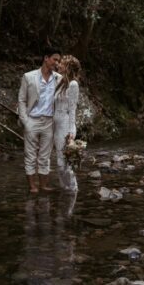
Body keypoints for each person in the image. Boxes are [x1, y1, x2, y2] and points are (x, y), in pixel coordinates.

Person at [17, 46, 61, 193]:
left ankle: (43, 185)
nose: (57, 63)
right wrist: (25, 121)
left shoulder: (58, 78)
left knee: (45, 156)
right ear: (46, 58)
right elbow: (22, 100)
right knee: (30, 155)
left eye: (59, 61)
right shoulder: (28, 76)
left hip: (49, 122)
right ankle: (32, 187)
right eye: (55, 59)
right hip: (32, 120)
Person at [52, 55, 81, 192]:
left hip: (65, 127)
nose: (59, 65)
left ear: (68, 67)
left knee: (65, 165)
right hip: (56, 127)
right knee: (59, 163)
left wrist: (71, 133)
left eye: (62, 63)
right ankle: (65, 189)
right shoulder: (60, 80)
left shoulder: (73, 84)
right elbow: (48, 71)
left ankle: (73, 189)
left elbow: (72, 109)